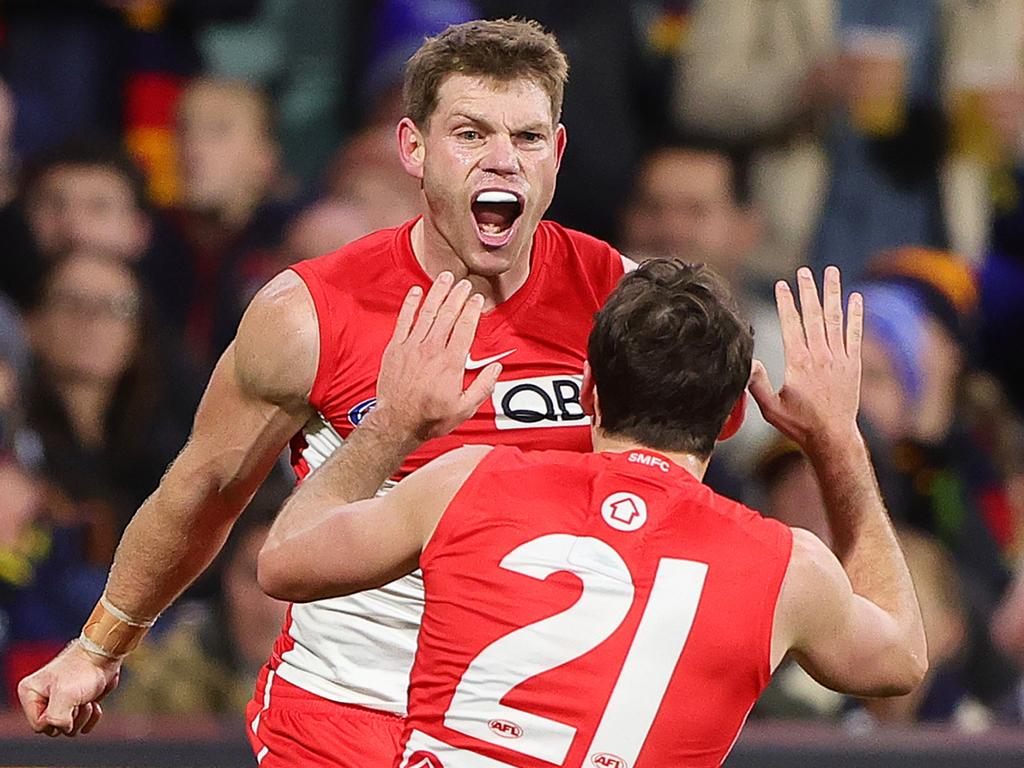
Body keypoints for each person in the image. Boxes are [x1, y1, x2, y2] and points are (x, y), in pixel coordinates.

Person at [17, 18, 631, 768]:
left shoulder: (622, 304)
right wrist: (98, 646)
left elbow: (682, 506)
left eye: (528, 138)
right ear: (413, 147)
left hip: (539, 726)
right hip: (348, 720)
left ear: (557, 153)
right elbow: (206, 486)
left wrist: (824, 439)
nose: (503, 160)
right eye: (470, 134)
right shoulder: (307, 312)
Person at [257, 262, 927, 766]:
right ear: (732, 419)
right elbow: (901, 659)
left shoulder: (465, 482)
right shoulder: (789, 569)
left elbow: (285, 560)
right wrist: (835, 438)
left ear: (587, 391)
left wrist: (392, 426)